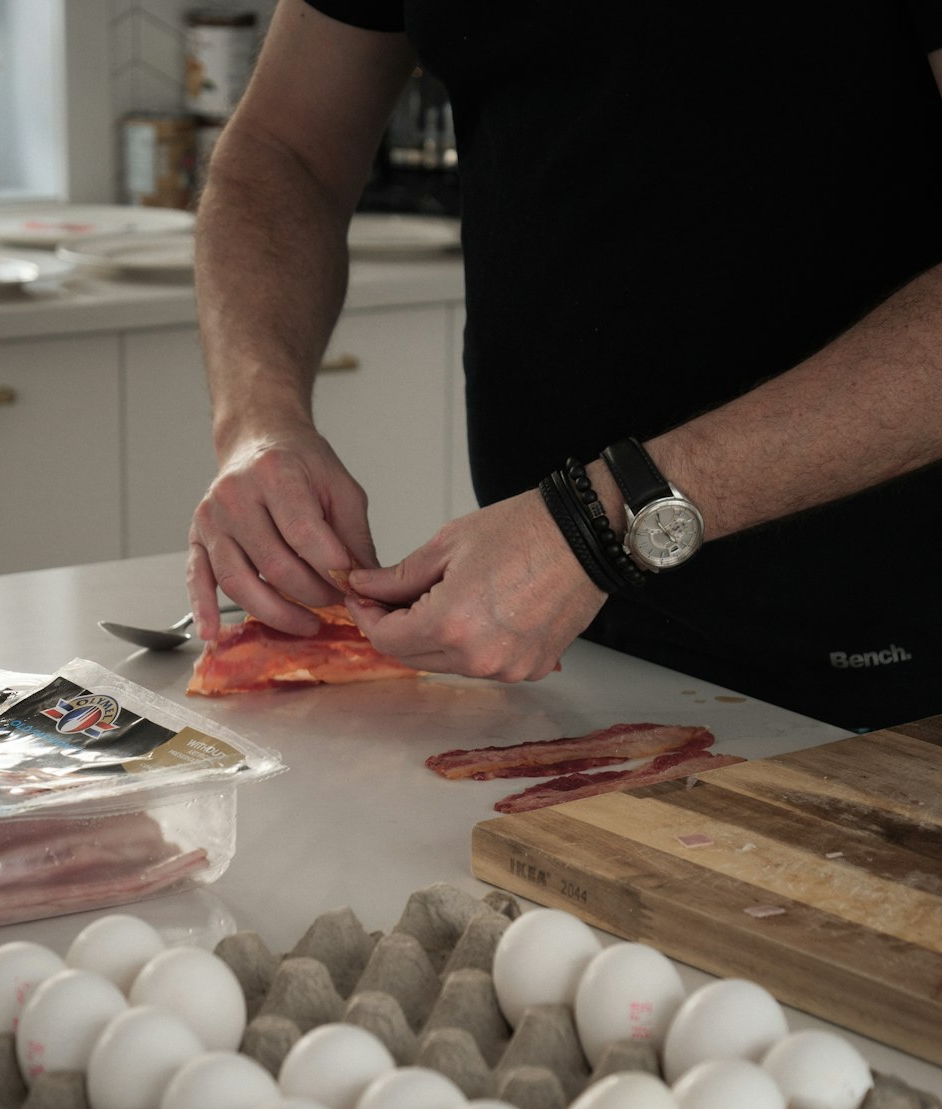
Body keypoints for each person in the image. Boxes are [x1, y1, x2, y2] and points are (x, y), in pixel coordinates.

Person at [187, 0, 942, 733]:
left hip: (885, 645)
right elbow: (284, 151)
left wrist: (603, 517)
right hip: (553, 631)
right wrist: (259, 421)